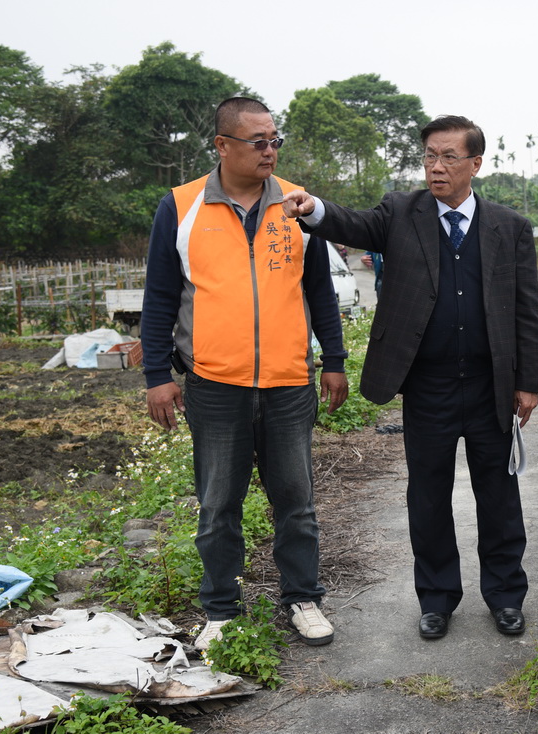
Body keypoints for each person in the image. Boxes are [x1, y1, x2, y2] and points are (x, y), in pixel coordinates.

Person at [282, 115, 538, 641]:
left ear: (476, 164)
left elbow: (525, 311)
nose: (436, 166)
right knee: (427, 496)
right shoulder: (401, 212)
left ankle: (506, 595)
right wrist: (314, 211)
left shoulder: (508, 227)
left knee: (499, 495)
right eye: (429, 155)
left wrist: (528, 381)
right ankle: (438, 599)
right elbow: (351, 224)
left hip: (492, 383)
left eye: (449, 157)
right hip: (428, 386)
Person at [141, 97, 349, 651]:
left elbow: (320, 291)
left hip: (286, 382)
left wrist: (334, 361)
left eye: (275, 140)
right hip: (215, 384)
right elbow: (160, 298)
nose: (269, 150)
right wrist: (156, 375)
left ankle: (303, 599)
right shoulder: (181, 206)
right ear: (223, 146)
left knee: (296, 501)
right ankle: (221, 611)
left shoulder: (298, 205)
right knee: (217, 504)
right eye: (258, 141)